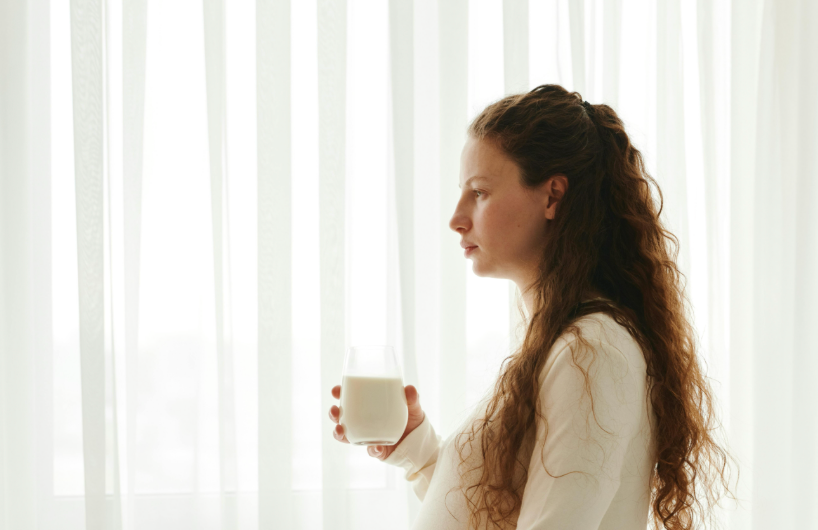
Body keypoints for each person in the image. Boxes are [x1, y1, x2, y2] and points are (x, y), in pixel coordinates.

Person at [329, 84, 737, 529]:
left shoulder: (591, 352)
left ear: (552, 196)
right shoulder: (562, 342)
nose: (456, 219)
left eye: (479, 192)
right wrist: (414, 445)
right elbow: (487, 512)